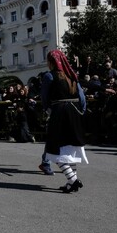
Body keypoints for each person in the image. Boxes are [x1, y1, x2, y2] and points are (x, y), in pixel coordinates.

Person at [41, 50, 89, 192]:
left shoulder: (49, 76)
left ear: (51, 62)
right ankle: (70, 183)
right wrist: (81, 112)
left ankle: (73, 180)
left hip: (59, 111)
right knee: (71, 148)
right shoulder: (72, 75)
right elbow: (82, 97)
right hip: (75, 111)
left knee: (54, 148)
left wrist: (49, 111)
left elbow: (44, 99)